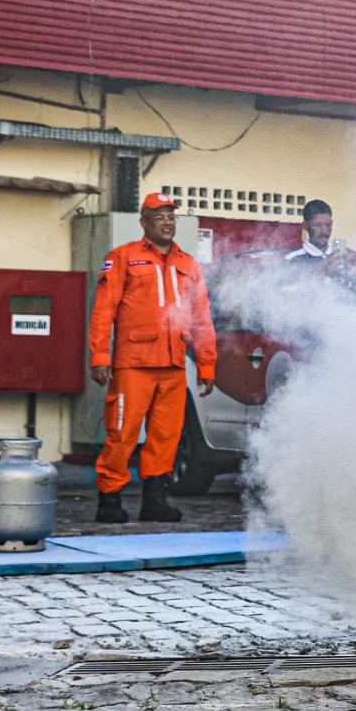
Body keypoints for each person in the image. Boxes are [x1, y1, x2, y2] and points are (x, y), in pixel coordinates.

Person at [88, 193, 216, 524]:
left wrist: (206, 364)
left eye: (171, 216)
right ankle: (110, 500)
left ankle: (155, 501)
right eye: (159, 217)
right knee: (122, 432)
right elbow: (104, 311)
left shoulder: (189, 264)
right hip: (133, 364)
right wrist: (100, 355)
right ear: (144, 222)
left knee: (166, 437)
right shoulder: (122, 257)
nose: (167, 222)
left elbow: (202, 318)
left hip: (173, 366)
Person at [285, 199, 334, 267]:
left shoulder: (340, 255)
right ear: (305, 226)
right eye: (317, 225)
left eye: (328, 225)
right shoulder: (292, 260)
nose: (324, 231)